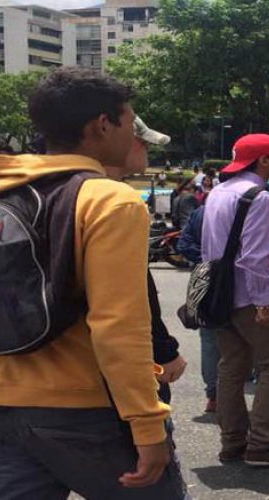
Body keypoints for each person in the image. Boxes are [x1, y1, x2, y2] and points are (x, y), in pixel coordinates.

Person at [0, 67, 186, 498]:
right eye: (128, 121)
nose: (131, 133)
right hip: (83, 409)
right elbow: (118, 326)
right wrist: (146, 423)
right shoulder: (109, 200)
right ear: (102, 125)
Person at [200, 133, 269, 467]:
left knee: (231, 367)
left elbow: (212, 248)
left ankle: (233, 442)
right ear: (263, 160)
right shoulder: (258, 197)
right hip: (251, 295)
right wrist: (264, 303)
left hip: (223, 294)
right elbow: (256, 255)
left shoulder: (218, 192)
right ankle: (262, 445)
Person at [103, 116, 187, 405]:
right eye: (139, 139)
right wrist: (164, 351)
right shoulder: (116, 202)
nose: (145, 148)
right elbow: (133, 295)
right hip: (109, 373)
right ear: (104, 130)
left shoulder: (5, 189)